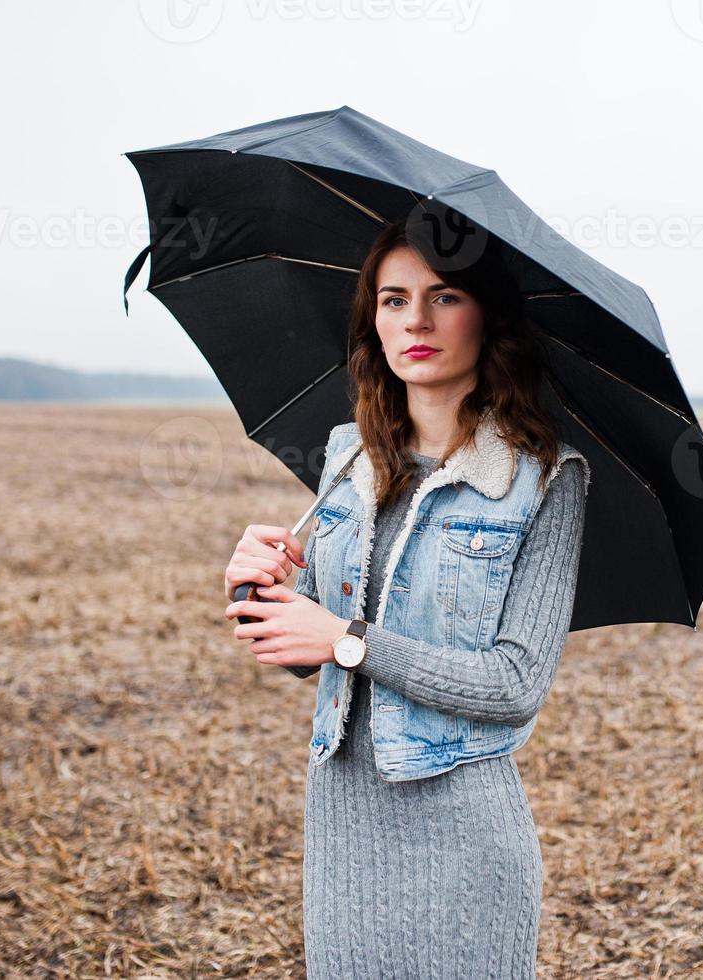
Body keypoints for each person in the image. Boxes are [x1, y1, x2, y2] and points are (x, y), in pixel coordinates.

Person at [220, 219, 591, 978]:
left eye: (442, 296)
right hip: (342, 835)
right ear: (373, 321)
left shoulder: (544, 477)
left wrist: (344, 638)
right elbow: (305, 654)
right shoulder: (345, 454)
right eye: (392, 300)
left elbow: (514, 685)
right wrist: (256, 592)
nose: (414, 321)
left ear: (485, 318)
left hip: (464, 838)